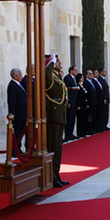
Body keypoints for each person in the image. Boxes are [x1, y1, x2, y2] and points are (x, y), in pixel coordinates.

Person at [44, 55, 69, 187]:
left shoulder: (57, 76)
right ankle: (52, 177)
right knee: (53, 146)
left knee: (58, 148)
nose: (59, 63)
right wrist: (51, 62)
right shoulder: (49, 76)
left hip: (59, 115)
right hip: (53, 116)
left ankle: (56, 175)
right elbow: (45, 75)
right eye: (58, 61)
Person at [7, 68, 27, 153]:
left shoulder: (18, 84)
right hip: (18, 114)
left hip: (22, 113)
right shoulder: (12, 85)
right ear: (15, 76)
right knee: (17, 133)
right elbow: (12, 101)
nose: (21, 76)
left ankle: (17, 148)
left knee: (20, 133)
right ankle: (15, 150)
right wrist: (12, 114)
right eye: (20, 75)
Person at [63, 65, 79, 141]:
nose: (76, 71)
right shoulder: (67, 78)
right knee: (68, 118)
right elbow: (66, 90)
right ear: (71, 71)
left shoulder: (74, 78)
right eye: (75, 70)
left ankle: (71, 133)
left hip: (74, 101)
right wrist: (68, 101)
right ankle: (67, 134)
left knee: (72, 118)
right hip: (70, 101)